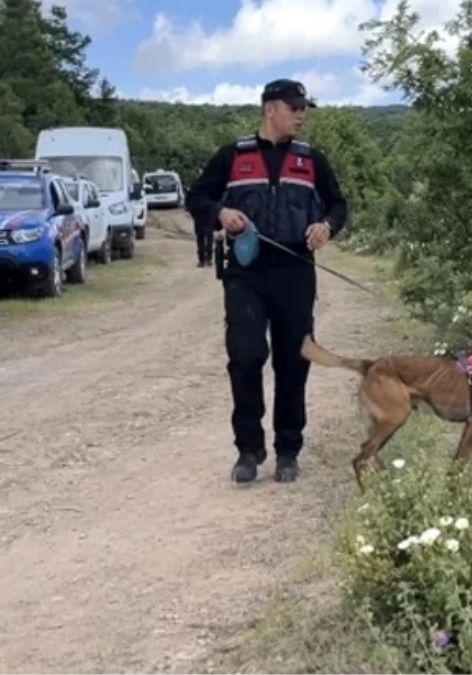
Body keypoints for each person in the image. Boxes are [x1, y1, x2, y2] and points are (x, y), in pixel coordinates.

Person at [186, 78, 348, 484]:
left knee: (294, 360)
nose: (301, 114)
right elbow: (198, 198)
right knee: (245, 356)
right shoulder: (232, 156)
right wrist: (220, 214)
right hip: (246, 271)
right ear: (269, 109)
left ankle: (288, 450)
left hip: (295, 270)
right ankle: (248, 449)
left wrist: (326, 226)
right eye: (294, 107)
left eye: (303, 107)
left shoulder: (312, 160)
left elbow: (338, 205)